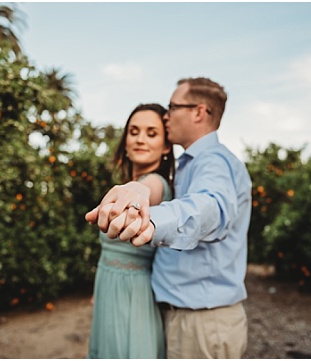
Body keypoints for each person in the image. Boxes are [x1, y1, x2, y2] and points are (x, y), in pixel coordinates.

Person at [86, 77, 251, 358]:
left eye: (173, 107)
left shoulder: (213, 161)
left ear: (199, 112)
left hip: (201, 321)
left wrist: (150, 217)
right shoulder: (191, 166)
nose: (167, 115)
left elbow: (211, 207)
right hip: (179, 315)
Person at [88, 103, 174, 359]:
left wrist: (138, 191)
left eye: (151, 133)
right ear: (125, 140)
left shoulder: (154, 183)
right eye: (134, 131)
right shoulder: (128, 185)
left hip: (133, 293)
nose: (140, 139)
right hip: (106, 286)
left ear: (166, 146)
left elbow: (147, 189)